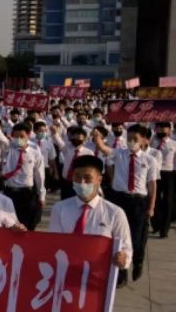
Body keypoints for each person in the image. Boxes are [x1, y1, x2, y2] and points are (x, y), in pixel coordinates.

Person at [48, 155, 132, 288]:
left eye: (87, 178)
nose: (81, 182)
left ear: (99, 180)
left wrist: (123, 259)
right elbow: (53, 243)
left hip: (98, 278)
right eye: (77, 177)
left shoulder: (115, 213)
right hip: (67, 274)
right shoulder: (60, 209)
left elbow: (126, 247)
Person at [94, 124, 156, 284]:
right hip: (119, 199)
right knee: (118, 237)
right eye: (129, 139)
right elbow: (103, 148)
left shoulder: (150, 160)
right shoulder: (119, 153)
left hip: (138, 202)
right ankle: (121, 274)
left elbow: (152, 186)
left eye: (135, 139)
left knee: (135, 239)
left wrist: (151, 207)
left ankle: (138, 261)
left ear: (143, 140)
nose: (131, 142)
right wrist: (97, 137)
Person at [1, 124, 46, 230]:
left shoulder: (35, 153)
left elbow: (39, 176)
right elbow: (1, 140)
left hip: (27, 194)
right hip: (10, 193)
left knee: (27, 226)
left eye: (22, 136)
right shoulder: (8, 150)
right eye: (15, 137)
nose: (18, 139)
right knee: (10, 224)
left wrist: (41, 195)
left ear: (28, 136)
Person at [151, 122, 175, 238]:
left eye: (163, 129)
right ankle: (156, 225)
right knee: (154, 200)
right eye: (159, 129)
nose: (161, 131)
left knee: (167, 201)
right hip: (155, 173)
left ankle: (164, 230)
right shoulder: (152, 142)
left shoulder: (174, 144)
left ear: (169, 131)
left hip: (168, 173)